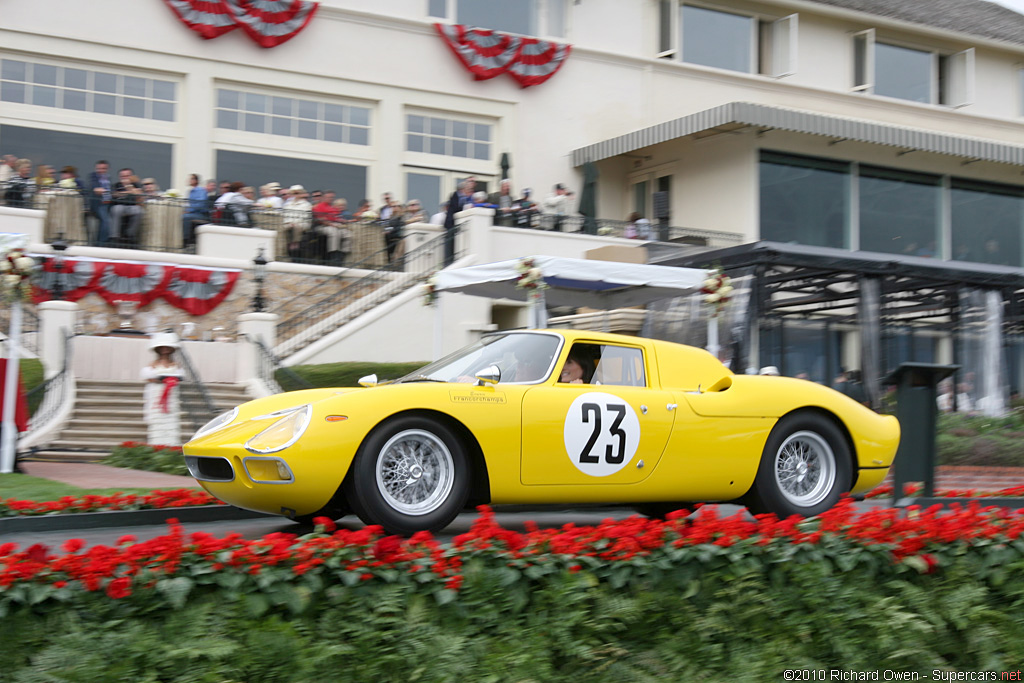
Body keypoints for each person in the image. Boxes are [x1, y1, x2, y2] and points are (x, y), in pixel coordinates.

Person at [141, 333, 185, 446]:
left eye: (167, 347)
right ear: (158, 349)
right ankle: (157, 445)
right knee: (158, 419)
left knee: (170, 419)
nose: (165, 350)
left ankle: (172, 446)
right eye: (162, 347)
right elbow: (148, 378)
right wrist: (161, 380)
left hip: (171, 394)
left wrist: (171, 380)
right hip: (157, 393)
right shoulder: (153, 364)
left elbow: (180, 377)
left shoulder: (175, 364)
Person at [109, 168, 144, 243]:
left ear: (131, 176)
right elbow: (115, 194)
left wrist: (129, 186)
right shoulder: (116, 185)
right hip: (119, 205)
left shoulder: (136, 185)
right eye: (123, 176)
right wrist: (130, 191)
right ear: (120, 177)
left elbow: (139, 194)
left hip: (132, 206)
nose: (125, 178)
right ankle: (114, 236)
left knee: (139, 211)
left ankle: (130, 234)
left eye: (127, 176)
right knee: (117, 209)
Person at [87, 160, 112, 244]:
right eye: (99, 168)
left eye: (103, 168)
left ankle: (112, 240)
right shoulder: (93, 176)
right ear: (96, 168)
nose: (101, 170)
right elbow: (93, 186)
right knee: (106, 221)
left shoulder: (108, 178)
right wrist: (97, 189)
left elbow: (111, 190)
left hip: (109, 203)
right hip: (99, 203)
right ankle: (101, 242)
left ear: (107, 169)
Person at [181, 173, 209, 247]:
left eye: (191, 179)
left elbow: (201, 204)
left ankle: (185, 240)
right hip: (194, 213)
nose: (189, 180)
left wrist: (190, 210)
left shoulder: (201, 191)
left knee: (185, 217)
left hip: (201, 214)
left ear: (195, 180)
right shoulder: (190, 191)